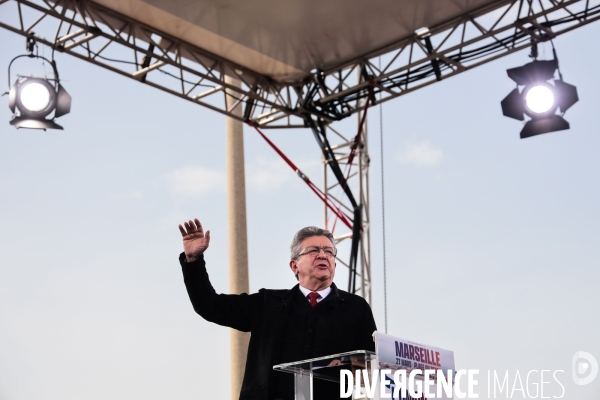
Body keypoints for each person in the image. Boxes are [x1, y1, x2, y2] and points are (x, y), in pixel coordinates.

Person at [178, 218, 377, 400]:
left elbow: (370, 368)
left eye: (329, 251)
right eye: (314, 250)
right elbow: (210, 306)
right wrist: (194, 262)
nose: (323, 255)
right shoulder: (268, 304)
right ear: (294, 266)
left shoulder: (356, 309)